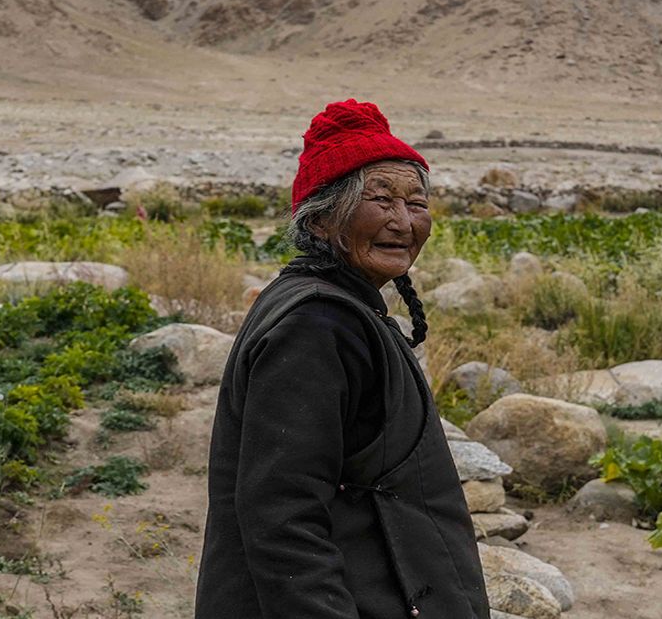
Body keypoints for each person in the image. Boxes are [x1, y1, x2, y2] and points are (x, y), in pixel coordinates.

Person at [196, 99, 488, 619]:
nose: (403, 221)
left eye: (416, 203)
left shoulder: (339, 308)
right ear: (322, 219)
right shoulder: (313, 327)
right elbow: (283, 516)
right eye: (381, 200)